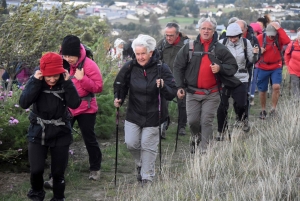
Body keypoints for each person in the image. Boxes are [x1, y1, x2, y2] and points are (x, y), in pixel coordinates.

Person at [113, 34, 177, 184]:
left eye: (143, 53)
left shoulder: (162, 68)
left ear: (150, 52)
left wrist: (163, 86)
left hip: (155, 114)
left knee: (148, 146)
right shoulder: (130, 67)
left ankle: (147, 177)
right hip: (134, 113)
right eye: (137, 54)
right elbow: (120, 85)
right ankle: (141, 164)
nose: (140, 57)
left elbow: (172, 92)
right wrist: (118, 98)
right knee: (131, 143)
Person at [19, 52, 81, 201]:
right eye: (48, 76)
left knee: (58, 172)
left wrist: (68, 83)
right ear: (42, 73)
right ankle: (37, 194)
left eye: (55, 75)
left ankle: (58, 198)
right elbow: (23, 103)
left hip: (61, 131)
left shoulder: (64, 82)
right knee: (36, 169)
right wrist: (34, 82)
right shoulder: (36, 82)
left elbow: (75, 103)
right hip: (38, 130)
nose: (52, 79)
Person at [173, 17, 240, 153]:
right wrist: (180, 86)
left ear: (214, 31)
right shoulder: (190, 47)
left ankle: (204, 151)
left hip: (212, 93)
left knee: (206, 122)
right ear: (199, 29)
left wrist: (220, 68)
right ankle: (195, 137)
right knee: (192, 121)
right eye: (203, 28)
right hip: (192, 93)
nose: (206, 31)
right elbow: (178, 66)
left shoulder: (220, 48)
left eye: (209, 29)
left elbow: (233, 66)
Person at [216, 23, 258, 139]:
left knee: (241, 103)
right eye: (230, 37)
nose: (233, 39)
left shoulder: (246, 43)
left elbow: (252, 60)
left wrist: (255, 54)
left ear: (240, 35)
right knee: (222, 106)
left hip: (241, 77)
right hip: (225, 77)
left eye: (235, 36)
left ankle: (242, 119)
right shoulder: (222, 43)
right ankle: (221, 131)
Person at [156, 22, 189, 138]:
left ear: (177, 34)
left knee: (182, 103)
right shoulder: (161, 44)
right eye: (166, 35)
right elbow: (155, 59)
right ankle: (163, 126)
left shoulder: (186, 44)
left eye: (171, 35)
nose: (168, 38)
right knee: (163, 103)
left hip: (181, 78)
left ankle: (182, 126)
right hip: (166, 78)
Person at [256, 22, 290, 119]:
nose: (271, 36)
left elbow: (287, 41)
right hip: (262, 67)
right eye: (269, 34)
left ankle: (273, 109)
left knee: (276, 87)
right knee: (262, 90)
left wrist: (279, 28)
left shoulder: (279, 37)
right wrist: (259, 50)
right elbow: (252, 50)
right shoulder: (260, 38)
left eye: (273, 34)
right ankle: (263, 110)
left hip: (276, 66)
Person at [236, 20, 261, 107]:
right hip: (234, 68)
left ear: (246, 29)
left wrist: (250, 62)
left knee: (245, 89)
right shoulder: (231, 38)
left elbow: (258, 53)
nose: (238, 32)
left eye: (241, 30)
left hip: (248, 68)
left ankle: (244, 108)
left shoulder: (253, 39)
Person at [284, 31, 300, 100]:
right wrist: (288, 66)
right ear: (298, 38)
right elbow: (287, 56)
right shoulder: (292, 45)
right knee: (295, 86)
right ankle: (295, 103)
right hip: (294, 70)